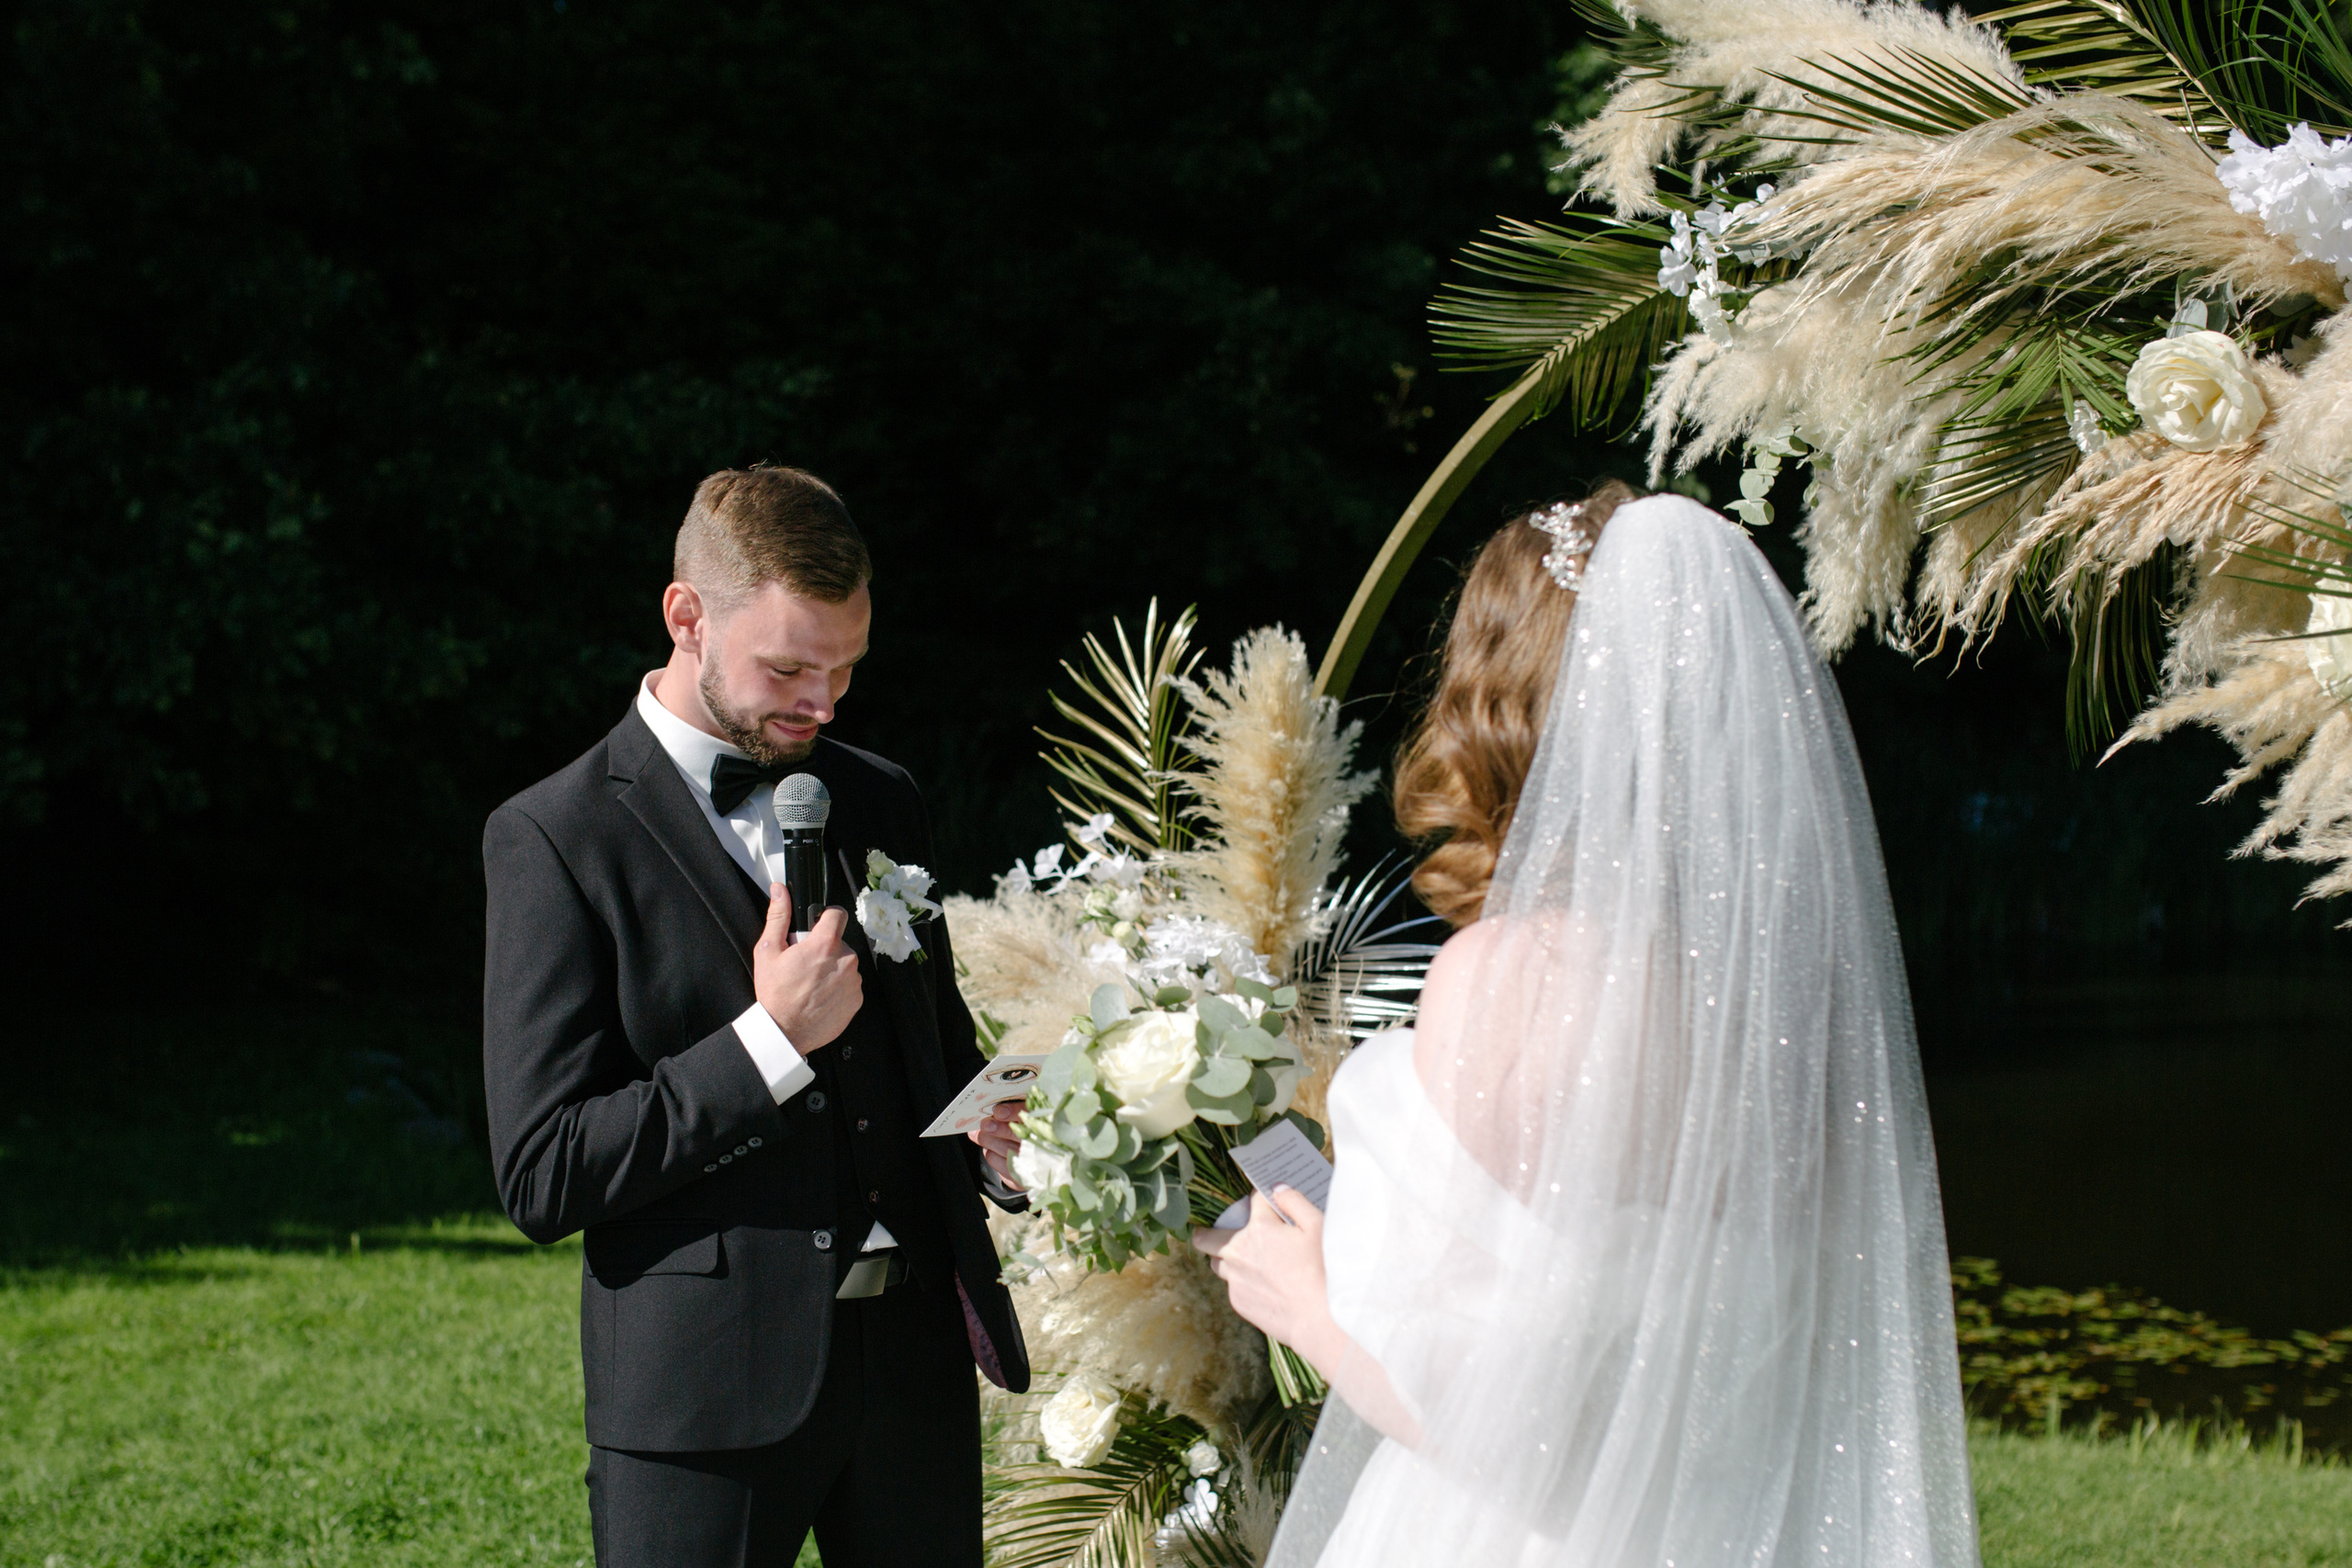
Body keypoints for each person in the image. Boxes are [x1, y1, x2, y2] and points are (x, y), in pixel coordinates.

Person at [1196, 489, 1981, 1567]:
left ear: (1493, 700)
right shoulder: (1785, 1004)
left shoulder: (1511, 983)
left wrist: (1311, 1310)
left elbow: (1515, 1430)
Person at [481, 466, 1031, 1568]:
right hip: (703, 1395)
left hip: (910, 1364)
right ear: (687, 617)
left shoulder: (882, 796)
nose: (822, 705)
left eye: (844, 670)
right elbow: (542, 1171)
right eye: (788, 667)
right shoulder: (555, 837)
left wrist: (1003, 1141)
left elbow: (937, 1049)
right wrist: (767, 1043)